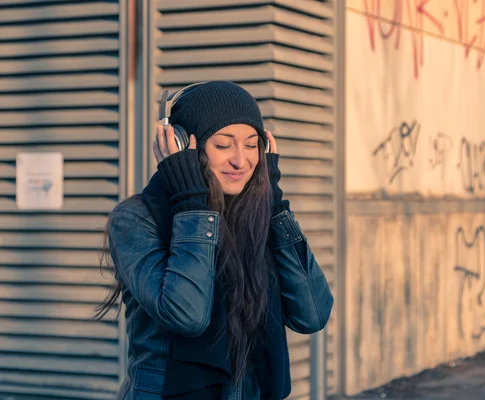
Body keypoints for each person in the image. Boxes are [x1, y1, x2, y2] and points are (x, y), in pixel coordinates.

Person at [94, 81, 334, 400]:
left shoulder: (258, 218)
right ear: (183, 147)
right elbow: (187, 314)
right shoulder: (136, 219)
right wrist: (193, 204)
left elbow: (312, 314)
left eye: (251, 145)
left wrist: (275, 206)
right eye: (223, 145)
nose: (241, 160)